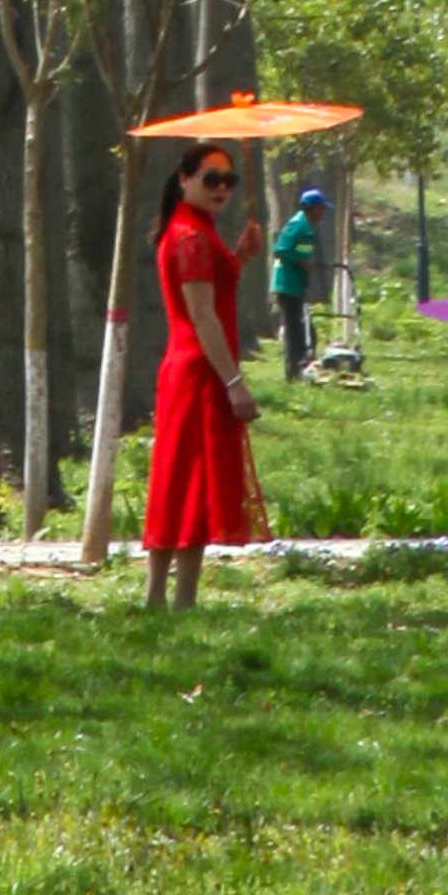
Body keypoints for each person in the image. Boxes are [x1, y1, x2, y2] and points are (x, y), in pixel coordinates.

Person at [139, 141, 264, 602]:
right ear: (184, 179)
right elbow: (202, 315)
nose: (221, 188)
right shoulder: (190, 236)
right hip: (198, 372)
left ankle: (174, 600)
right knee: (184, 482)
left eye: (227, 181)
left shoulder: (194, 229)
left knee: (187, 483)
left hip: (193, 368)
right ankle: (162, 597)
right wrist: (235, 382)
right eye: (210, 179)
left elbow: (215, 295)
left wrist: (241, 256)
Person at [272, 176, 327, 377]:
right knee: (296, 332)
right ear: (312, 208)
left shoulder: (306, 226)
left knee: (305, 331)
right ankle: (293, 372)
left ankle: (302, 367)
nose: (323, 213)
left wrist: (306, 264)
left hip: (296, 284)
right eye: (321, 208)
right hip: (287, 284)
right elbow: (279, 250)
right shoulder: (299, 224)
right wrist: (302, 262)